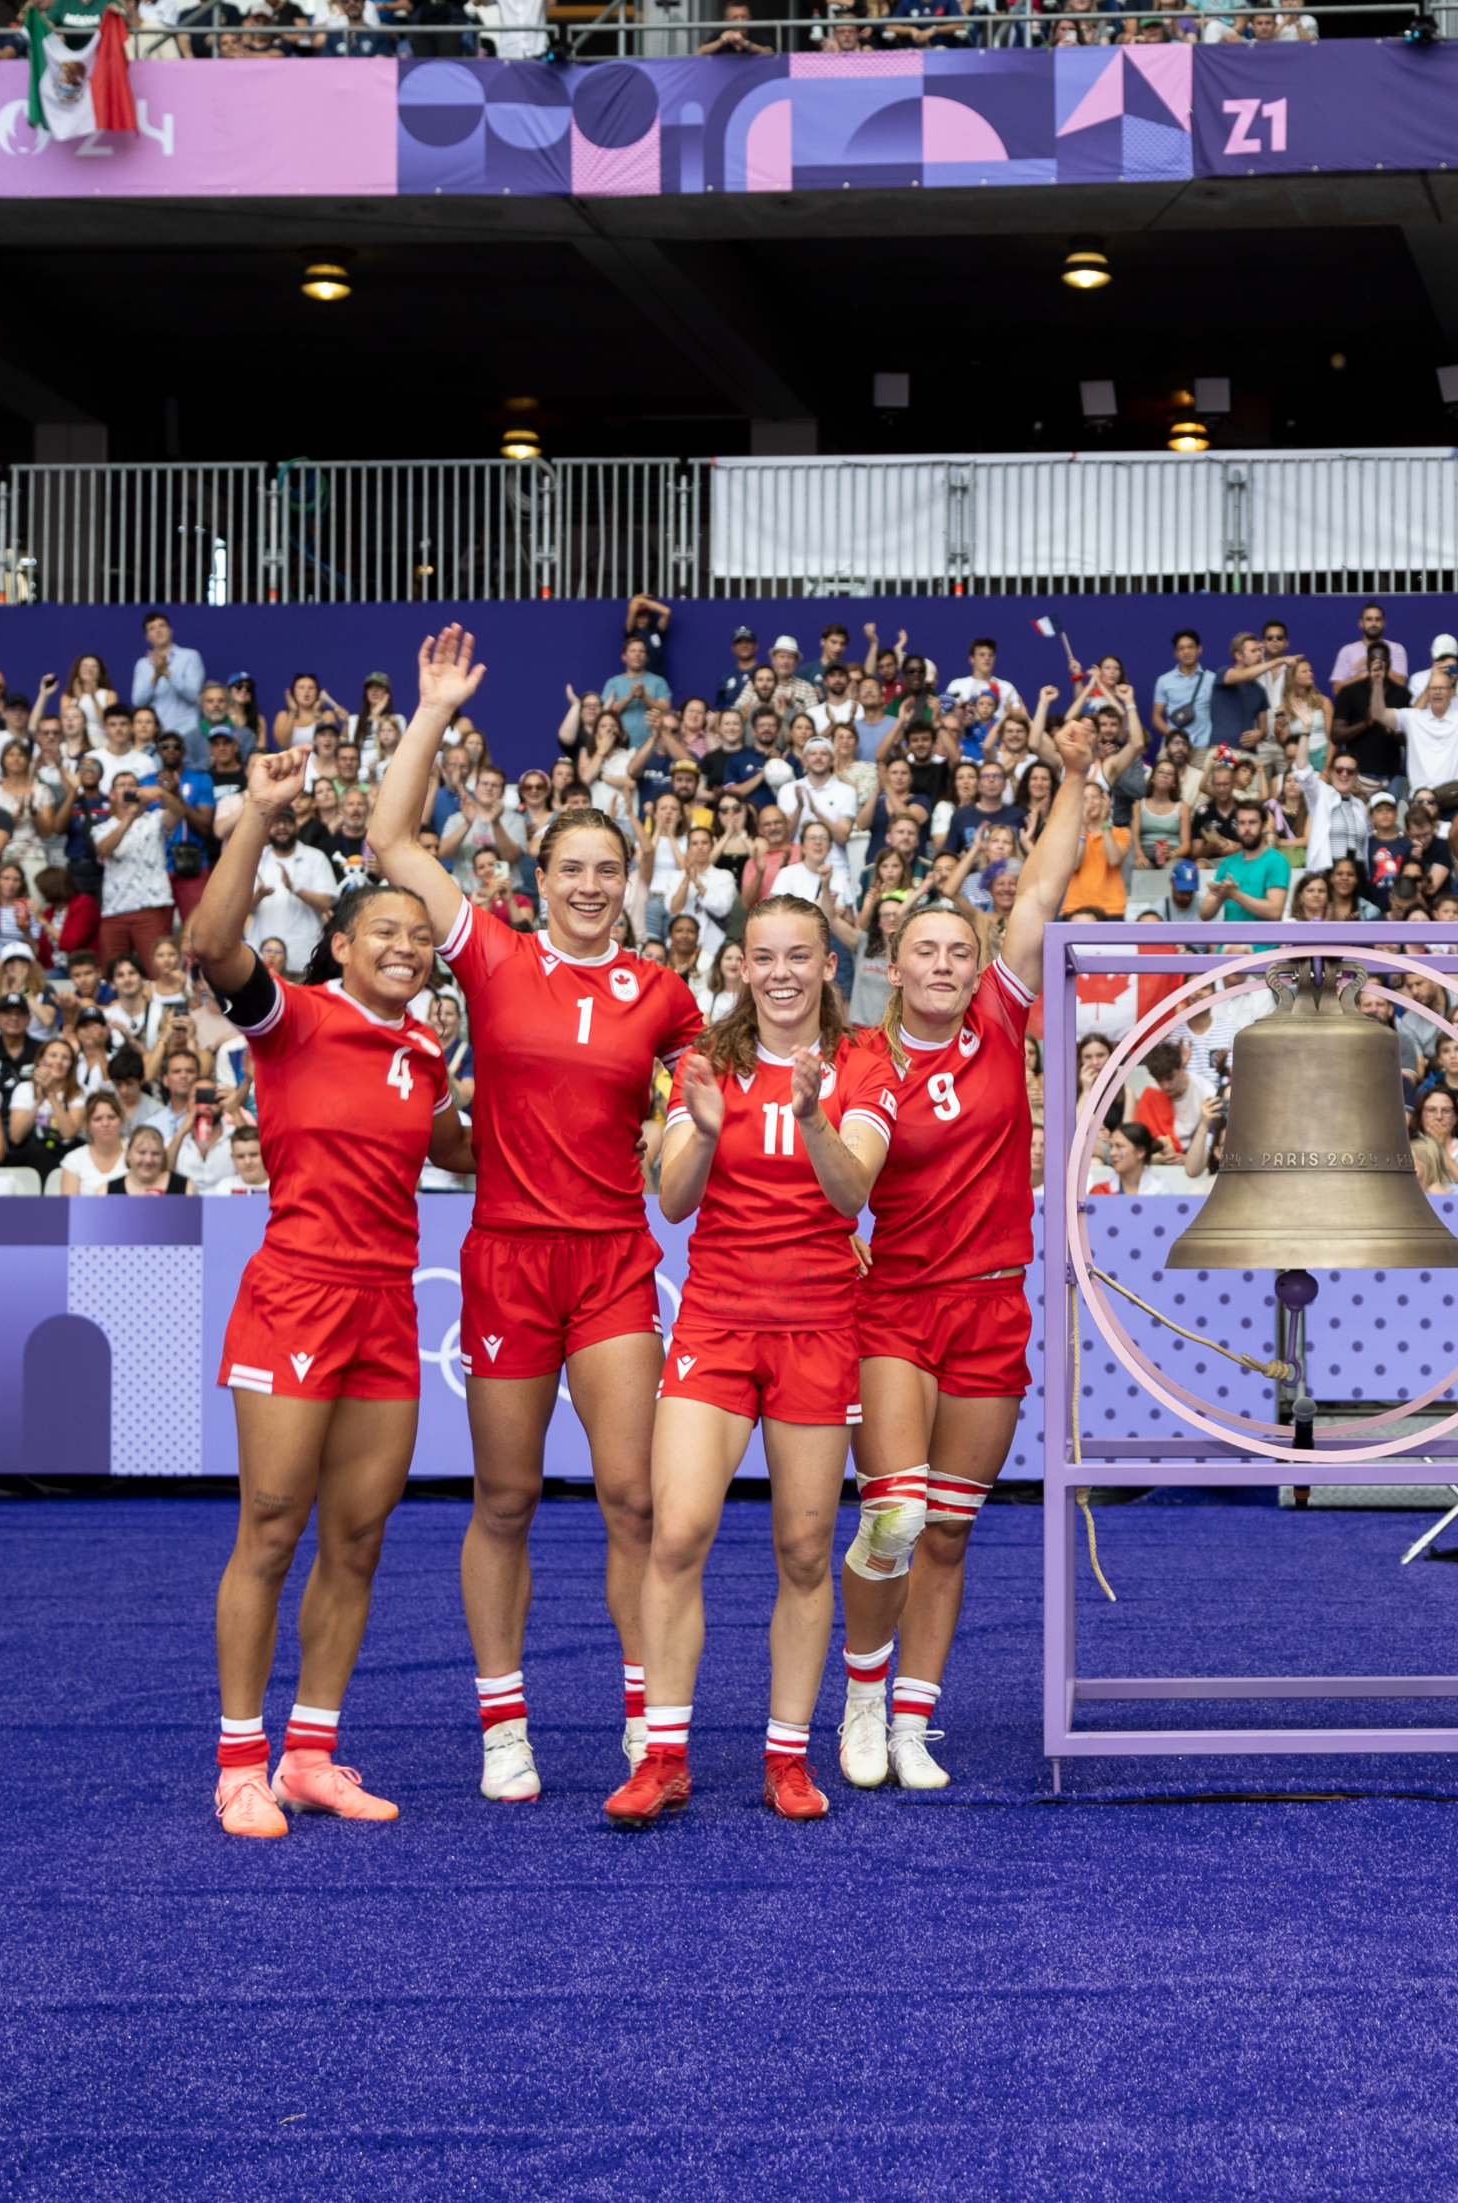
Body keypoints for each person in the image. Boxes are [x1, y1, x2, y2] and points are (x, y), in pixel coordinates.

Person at [369, 628, 704, 1805]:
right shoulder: (492, 955)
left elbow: (705, 1102)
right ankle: (503, 1724)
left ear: (628, 882)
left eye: (606, 871)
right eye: (570, 869)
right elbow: (389, 841)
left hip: (615, 1259)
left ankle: (638, 1715)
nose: (588, 885)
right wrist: (432, 709)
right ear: (541, 879)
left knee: (633, 1499)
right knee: (504, 1499)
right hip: (507, 1258)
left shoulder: (662, 992)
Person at [186, 735, 472, 1840]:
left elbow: (456, 1145)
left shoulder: (424, 1054)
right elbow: (211, 945)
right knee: (270, 1524)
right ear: (341, 944)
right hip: (296, 1294)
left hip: (387, 1307)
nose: (404, 946)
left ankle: (311, 1752)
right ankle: (238, 1763)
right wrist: (256, 815)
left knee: (358, 1536)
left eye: (417, 935)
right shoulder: (292, 1016)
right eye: (383, 932)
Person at [828, 702, 1101, 1793]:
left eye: (957, 948)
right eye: (922, 952)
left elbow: (1040, 885)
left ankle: (912, 1720)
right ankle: (858, 1695)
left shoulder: (999, 1012)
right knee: (890, 1516)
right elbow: (848, 1163)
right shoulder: (862, 1062)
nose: (943, 964)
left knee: (948, 1532)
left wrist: (1074, 776)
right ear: (892, 969)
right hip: (895, 1305)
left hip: (993, 1303)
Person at [606, 898, 900, 1830]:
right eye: (764, 956)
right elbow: (676, 1201)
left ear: (824, 964)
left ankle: (786, 1757)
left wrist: (812, 1115)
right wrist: (694, 1123)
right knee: (678, 1531)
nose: (781, 972)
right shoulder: (711, 1062)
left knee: (806, 1549)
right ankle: (662, 1754)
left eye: (798, 956)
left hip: (818, 1324)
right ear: (741, 965)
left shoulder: (861, 1060)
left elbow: (852, 1187)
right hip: (718, 1320)